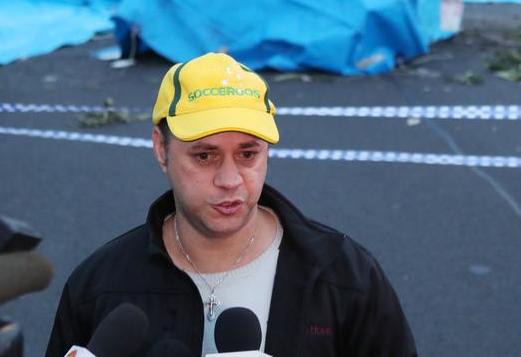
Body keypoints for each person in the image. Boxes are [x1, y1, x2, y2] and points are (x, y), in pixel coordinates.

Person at [45, 52, 417, 356]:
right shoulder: (99, 285)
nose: (230, 180)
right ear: (161, 148)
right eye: (204, 156)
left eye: (248, 154)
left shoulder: (346, 277)